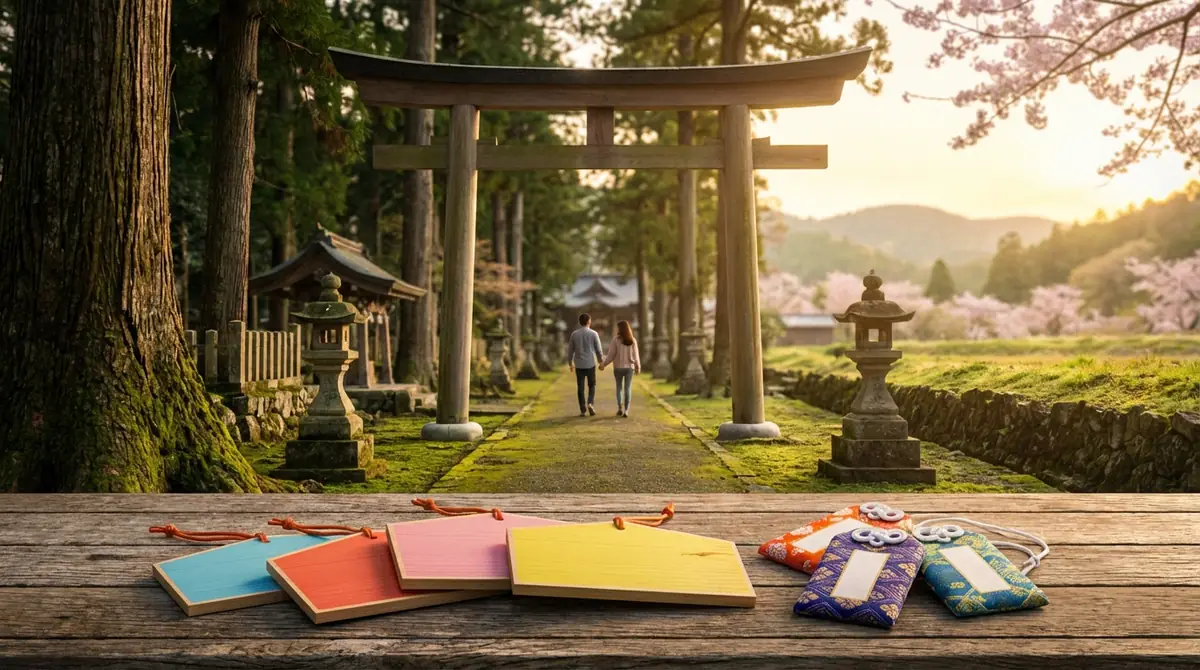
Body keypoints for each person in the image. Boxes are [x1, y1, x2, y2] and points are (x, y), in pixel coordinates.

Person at [599, 320, 641, 417]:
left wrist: (603, 365)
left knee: (619, 388)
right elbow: (636, 356)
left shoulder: (616, 340)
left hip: (618, 368)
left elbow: (611, 356)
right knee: (627, 388)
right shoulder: (632, 340)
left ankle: (620, 408)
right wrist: (638, 366)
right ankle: (626, 410)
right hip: (629, 368)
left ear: (620, 329)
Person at [566, 313, 604, 417]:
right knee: (592, 385)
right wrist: (601, 362)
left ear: (580, 322)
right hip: (590, 363)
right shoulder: (594, 333)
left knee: (580, 387)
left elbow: (570, 351)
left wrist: (570, 363)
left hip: (579, 364)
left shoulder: (574, 334)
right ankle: (590, 403)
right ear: (589, 321)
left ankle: (582, 409)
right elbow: (598, 349)